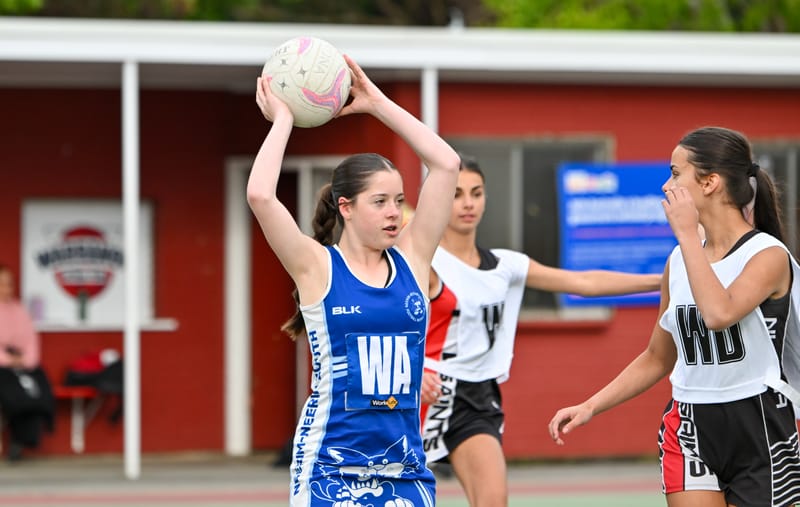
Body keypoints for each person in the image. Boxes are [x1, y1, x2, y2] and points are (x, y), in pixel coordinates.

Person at [248, 55, 460, 506]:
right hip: (330, 465)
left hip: (404, 465)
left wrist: (377, 103)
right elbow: (260, 195)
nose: (392, 212)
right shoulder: (316, 266)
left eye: (399, 201)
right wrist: (285, 116)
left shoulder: (413, 259)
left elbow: (446, 164)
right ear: (346, 207)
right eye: (379, 201)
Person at [548, 126, 800, 507]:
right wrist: (591, 405)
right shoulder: (679, 261)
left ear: (710, 182)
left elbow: (719, 313)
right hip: (690, 423)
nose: (667, 186)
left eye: (676, 173)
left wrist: (686, 236)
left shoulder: (767, 255)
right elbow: (657, 357)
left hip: (759, 423)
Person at [420, 155, 662, 507]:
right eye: (456, 194)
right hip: (420, 393)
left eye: (476, 192)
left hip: (475, 399)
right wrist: (411, 368)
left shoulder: (506, 265)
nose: (468, 203)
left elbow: (582, 282)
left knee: (493, 501)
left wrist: (660, 280)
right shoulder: (421, 261)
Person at [0, 263, 54, 462]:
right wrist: (8, 360)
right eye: (2, 284)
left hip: (23, 363)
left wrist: (26, 360)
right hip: (2, 366)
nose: (6, 288)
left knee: (39, 388)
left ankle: (23, 441)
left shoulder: (20, 310)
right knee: (13, 393)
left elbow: (31, 340)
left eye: (9, 284)